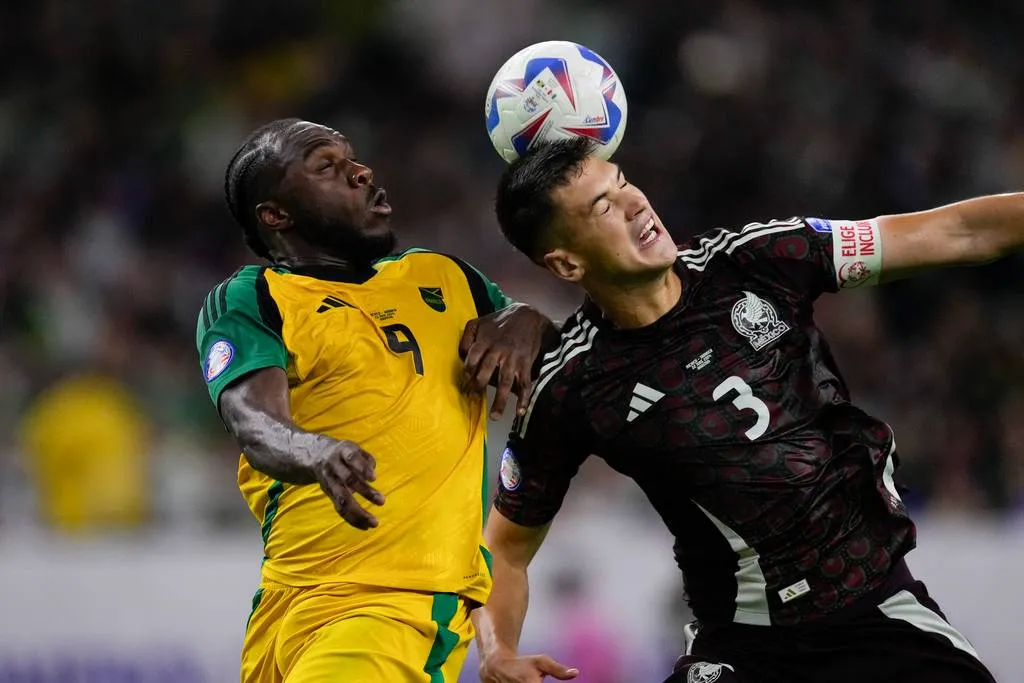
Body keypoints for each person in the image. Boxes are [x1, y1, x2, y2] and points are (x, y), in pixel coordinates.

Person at [475, 137, 1019, 683]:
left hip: (876, 611)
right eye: (602, 207)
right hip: (747, 647)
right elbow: (505, 547)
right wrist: (497, 650)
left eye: (622, 183)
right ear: (567, 262)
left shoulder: (756, 260)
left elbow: (957, 230)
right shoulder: (571, 386)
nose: (635, 203)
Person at [195, 118, 554, 683]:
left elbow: (569, 364)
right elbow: (251, 420)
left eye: (352, 159)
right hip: (285, 608)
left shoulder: (446, 279)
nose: (360, 172)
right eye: (327, 168)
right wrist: (315, 452)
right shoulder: (257, 298)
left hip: (399, 602)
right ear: (276, 215)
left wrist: (530, 319)